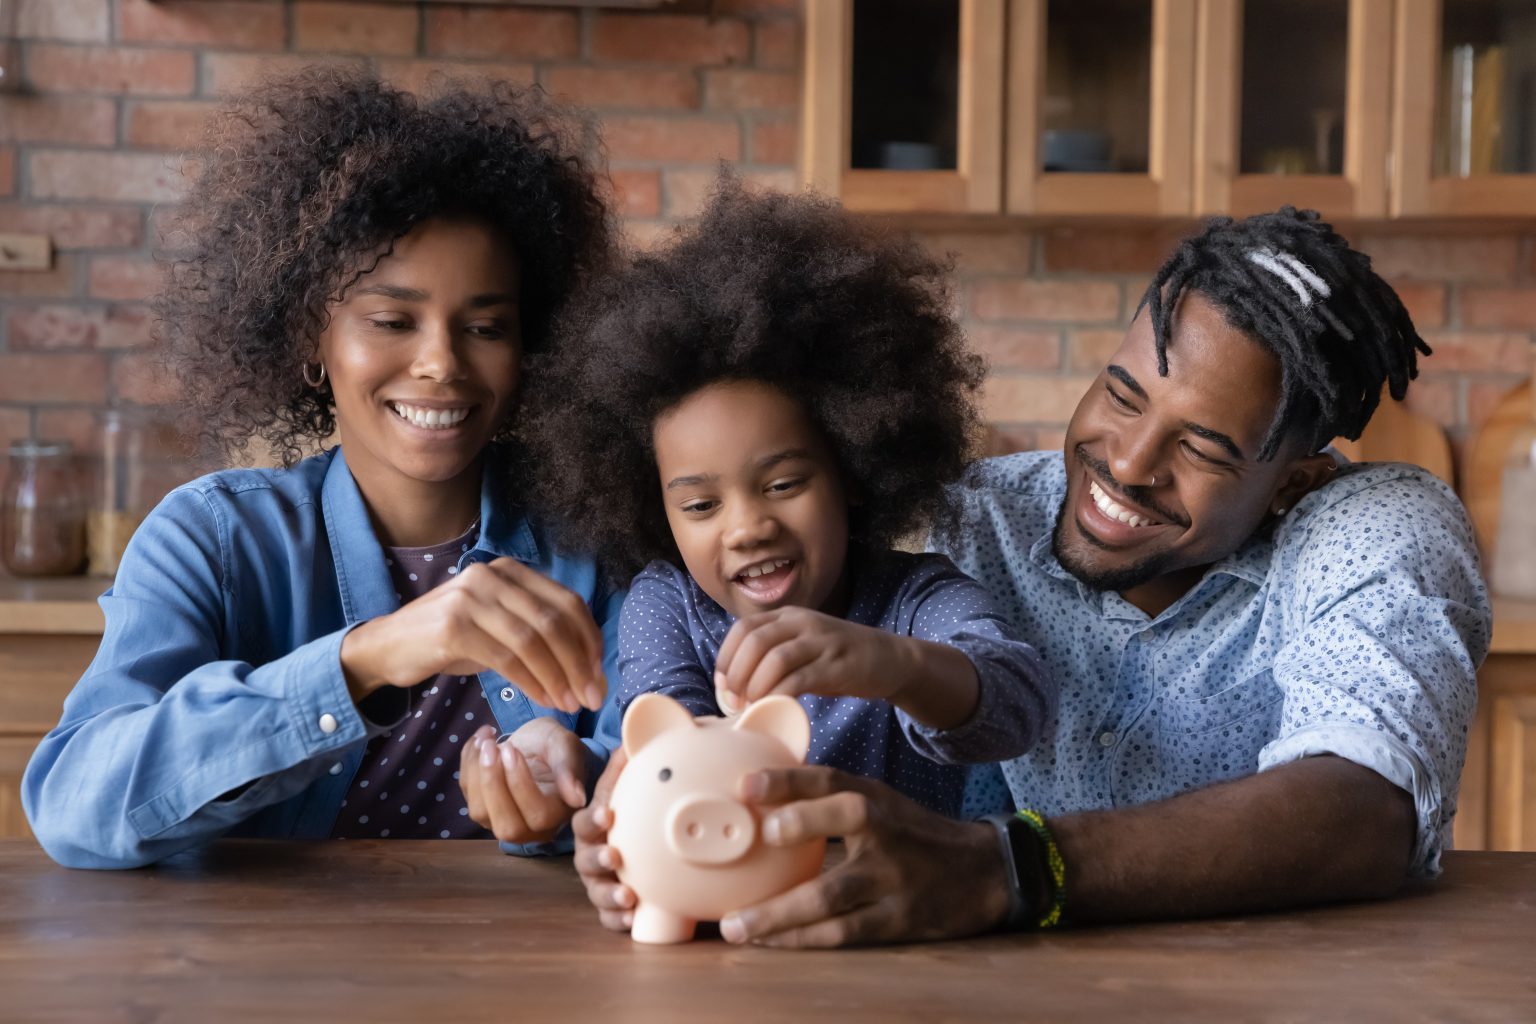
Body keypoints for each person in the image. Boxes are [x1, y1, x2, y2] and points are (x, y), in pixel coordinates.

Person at [572, 206, 1491, 944]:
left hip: (1303, 983)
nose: (1127, 463)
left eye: (1203, 447)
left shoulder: (1376, 524)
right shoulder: (981, 518)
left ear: (1296, 475)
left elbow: (1365, 809)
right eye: (1123, 394)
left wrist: (1008, 868)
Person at [23, 68, 622, 869]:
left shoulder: (601, 539)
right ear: (312, 336)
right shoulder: (214, 539)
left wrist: (584, 782)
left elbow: (672, 765)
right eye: (391, 320)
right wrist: (369, 657)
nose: (441, 363)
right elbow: (74, 804)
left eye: (485, 325)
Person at [523, 179, 1055, 822]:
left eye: (782, 485)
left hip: (900, 910)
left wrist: (892, 665)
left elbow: (1018, 707)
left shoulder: (917, 601)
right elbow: (662, 746)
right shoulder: (668, 605)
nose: (747, 527)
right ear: (652, 507)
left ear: (854, 469)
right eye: (700, 506)